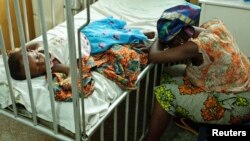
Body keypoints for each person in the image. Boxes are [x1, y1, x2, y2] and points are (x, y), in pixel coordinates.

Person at [146, 3, 250, 141]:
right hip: (238, 86)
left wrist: (160, 38)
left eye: (169, 45)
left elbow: (154, 57)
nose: (168, 48)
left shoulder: (195, 46)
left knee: (164, 94)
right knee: (170, 73)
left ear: (178, 39)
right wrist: (168, 39)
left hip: (236, 103)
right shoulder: (213, 26)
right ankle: (185, 118)